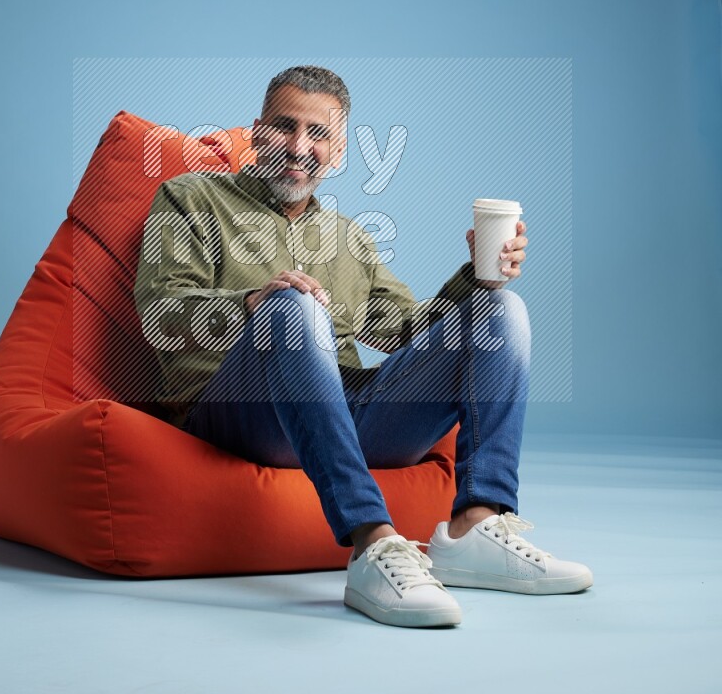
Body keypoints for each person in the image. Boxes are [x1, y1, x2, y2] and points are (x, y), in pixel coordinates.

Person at [133, 64, 592, 628]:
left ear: (339, 150)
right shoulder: (189, 198)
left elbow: (408, 330)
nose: (299, 147)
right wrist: (254, 302)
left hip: (348, 419)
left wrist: (476, 276)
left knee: (500, 313)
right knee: (291, 306)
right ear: (256, 131)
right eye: (283, 127)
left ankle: (476, 523)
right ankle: (373, 542)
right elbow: (161, 312)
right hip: (235, 415)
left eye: (318, 133)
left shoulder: (350, 238)